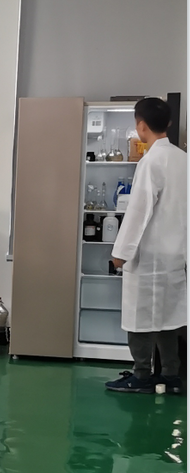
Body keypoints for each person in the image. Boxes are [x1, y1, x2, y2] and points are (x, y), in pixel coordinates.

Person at [106, 97, 187, 394]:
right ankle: (171, 376)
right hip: (176, 255)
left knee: (139, 317)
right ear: (168, 123)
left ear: (141, 126)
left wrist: (120, 253)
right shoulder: (183, 159)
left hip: (149, 254)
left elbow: (138, 212)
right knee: (169, 316)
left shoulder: (150, 161)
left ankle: (141, 375)